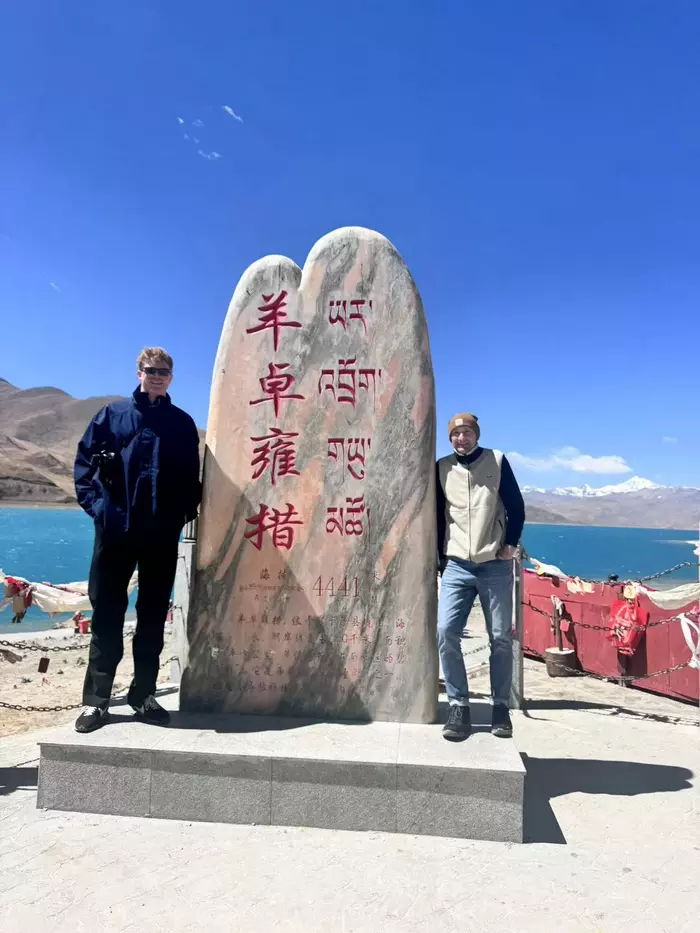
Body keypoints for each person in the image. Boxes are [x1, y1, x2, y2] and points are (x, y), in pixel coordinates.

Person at [73, 348, 201, 733]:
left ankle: (143, 696)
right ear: (139, 372)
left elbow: (191, 480)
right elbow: (84, 467)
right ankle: (97, 702)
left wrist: (178, 517)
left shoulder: (182, 424)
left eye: (164, 371)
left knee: (152, 618)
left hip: (160, 536)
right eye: (151, 370)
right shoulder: (111, 416)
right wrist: (100, 511)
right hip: (115, 534)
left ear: (171, 377)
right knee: (107, 615)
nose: (157, 376)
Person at [436, 413, 525, 741]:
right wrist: (439, 559)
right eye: (456, 433)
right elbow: (438, 516)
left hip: (495, 564)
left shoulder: (497, 461)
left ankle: (500, 707)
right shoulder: (442, 468)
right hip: (457, 564)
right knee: (446, 631)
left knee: (500, 637)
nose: (461, 438)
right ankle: (458, 705)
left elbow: (515, 506)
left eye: (467, 432)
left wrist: (511, 544)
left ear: (476, 434)